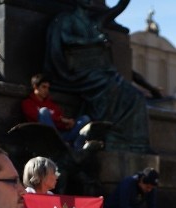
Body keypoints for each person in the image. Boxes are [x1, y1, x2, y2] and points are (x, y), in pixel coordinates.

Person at [44, 0, 150, 152]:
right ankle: (109, 132)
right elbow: (66, 39)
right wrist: (94, 40)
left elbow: (117, 8)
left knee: (137, 97)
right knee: (111, 88)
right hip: (81, 71)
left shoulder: (93, 21)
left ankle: (135, 142)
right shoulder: (67, 19)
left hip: (102, 71)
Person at [21, 74, 91, 150]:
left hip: (61, 136)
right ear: (35, 86)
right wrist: (61, 120)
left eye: (48, 88)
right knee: (44, 111)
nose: (46, 90)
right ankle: (64, 145)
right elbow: (35, 117)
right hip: (44, 138)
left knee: (85, 119)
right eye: (43, 87)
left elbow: (59, 122)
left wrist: (67, 124)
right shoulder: (27, 103)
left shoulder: (51, 104)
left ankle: (76, 147)